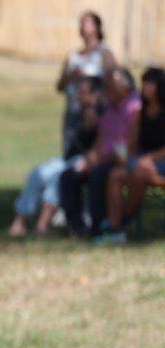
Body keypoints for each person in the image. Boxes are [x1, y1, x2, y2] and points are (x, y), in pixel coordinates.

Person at [9, 77, 100, 237]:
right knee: (38, 173)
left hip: (89, 159)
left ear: (96, 94)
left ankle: (42, 226)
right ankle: (19, 222)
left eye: (83, 92)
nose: (79, 95)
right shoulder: (77, 113)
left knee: (58, 176)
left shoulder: (103, 113)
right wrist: (83, 128)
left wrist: (91, 127)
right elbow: (73, 145)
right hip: (68, 158)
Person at [58, 66, 139, 237]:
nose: (106, 91)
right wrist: (89, 158)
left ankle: (99, 226)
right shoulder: (110, 109)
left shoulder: (134, 108)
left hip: (122, 160)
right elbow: (101, 139)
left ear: (124, 87)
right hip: (103, 158)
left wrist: (100, 160)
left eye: (110, 87)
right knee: (69, 175)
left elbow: (129, 146)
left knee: (97, 175)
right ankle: (76, 226)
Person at [96, 66, 165, 244]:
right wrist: (125, 155)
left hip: (159, 162)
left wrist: (148, 159)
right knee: (116, 175)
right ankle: (115, 229)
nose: (145, 87)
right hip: (143, 163)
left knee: (140, 173)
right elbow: (133, 143)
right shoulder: (141, 112)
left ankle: (124, 221)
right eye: (144, 83)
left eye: (150, 84)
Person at [55, 10, 114, 157]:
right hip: (72, 113)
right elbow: (59, 86)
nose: (82, 26)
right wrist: (71, 76)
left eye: (86, 22)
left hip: (93, 114)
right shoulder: (73, 56)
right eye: (80, 23)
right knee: (70, 153)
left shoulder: (104, 53)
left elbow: (113, 81)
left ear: (97, 27)